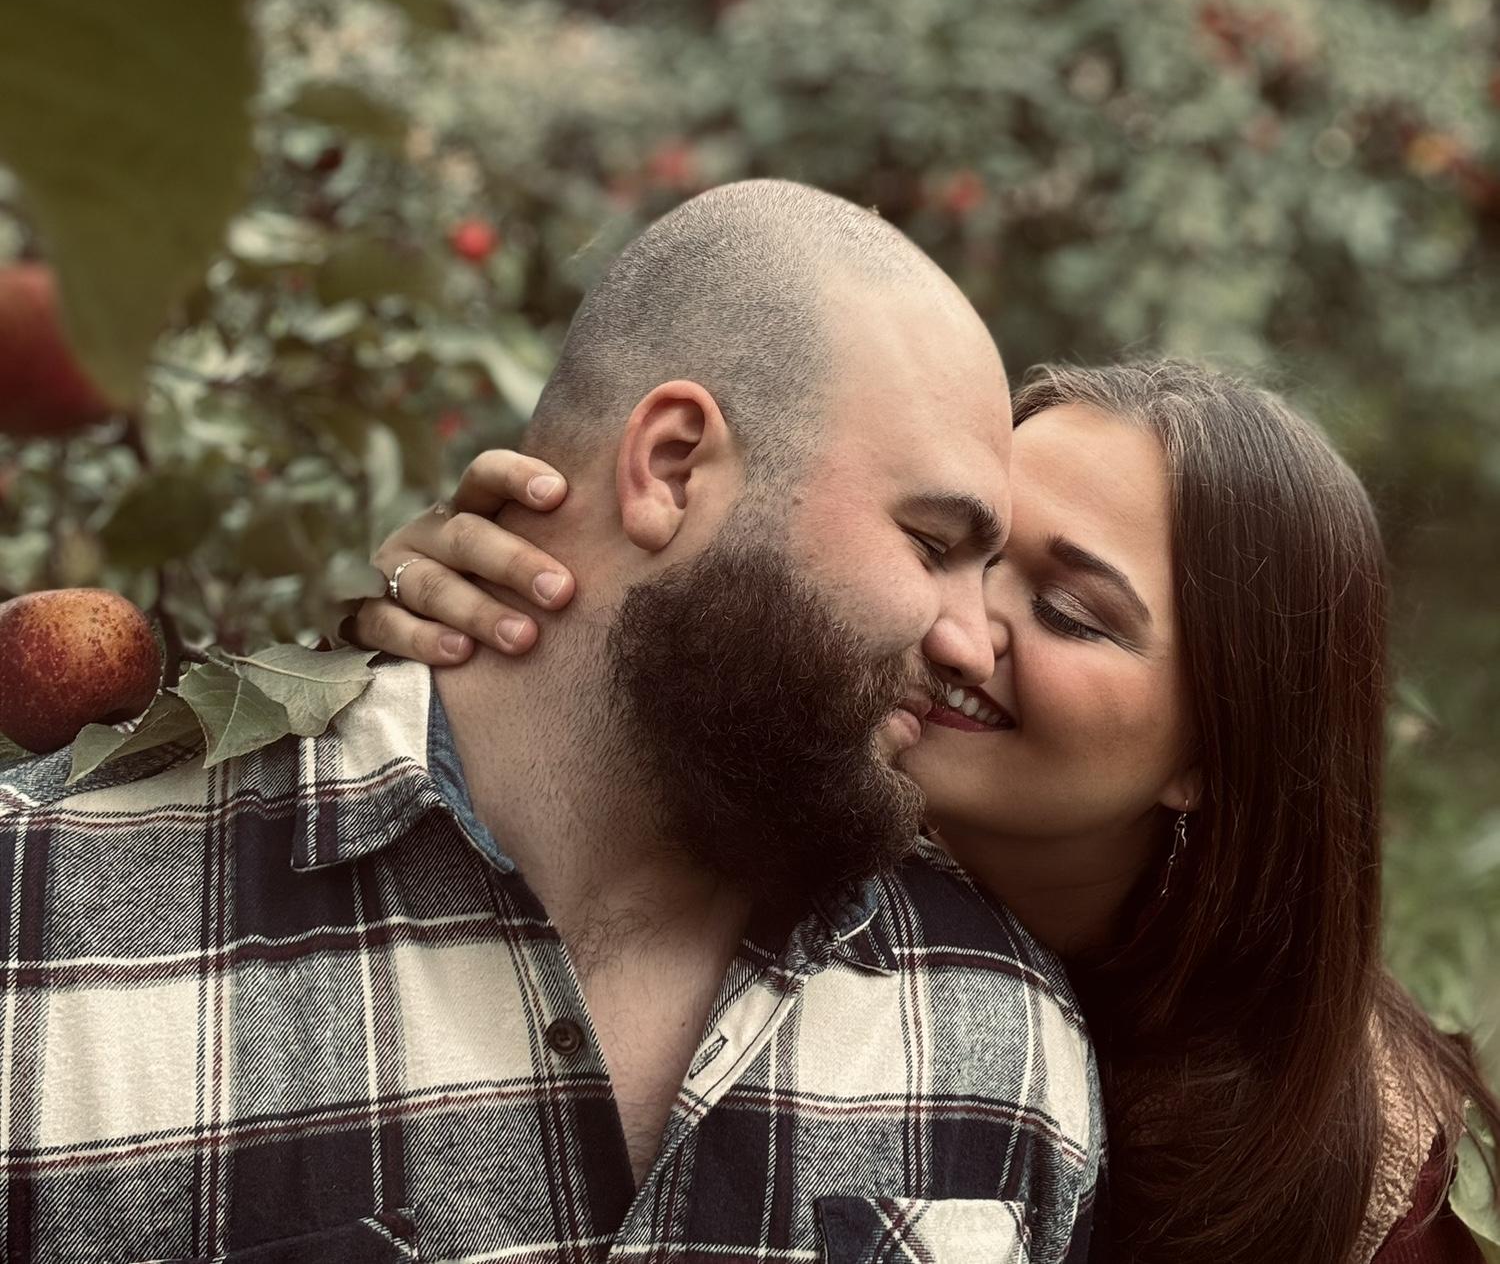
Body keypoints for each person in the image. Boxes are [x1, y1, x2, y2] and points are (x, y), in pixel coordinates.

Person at [0, 181, 1101, 1262]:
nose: (975, 641)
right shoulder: (43, 929)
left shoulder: (1000, 1040)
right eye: (935, 543)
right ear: (670, 468)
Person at [354, 355, 1500, 1264]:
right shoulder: (777, 787)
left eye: (1068, 610)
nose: (953, 625)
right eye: (951, 546)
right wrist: (462, 635)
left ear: (1214, 753)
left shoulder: (1365, 1180)